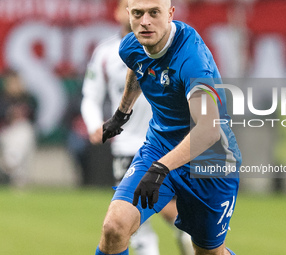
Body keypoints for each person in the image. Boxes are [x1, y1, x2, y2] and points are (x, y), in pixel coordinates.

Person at [97, 0, 241, 255]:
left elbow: (208, 130)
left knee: (207, 253)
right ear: (129, 14)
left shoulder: (192, 60)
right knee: (114, 228)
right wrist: (121, 114)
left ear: (170, 14)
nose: (145, 21)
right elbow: (138, 68)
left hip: (209, 159)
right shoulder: (131, 45)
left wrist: (161, 168)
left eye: (154, 13)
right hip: (159, 148)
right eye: (138, 14)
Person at [82, 1, 193, 254]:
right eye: (133, 9)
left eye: (152, 11)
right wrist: (95, 124)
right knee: (131, 221)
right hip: (127, 144)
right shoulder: (106, 53)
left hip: (168, 144)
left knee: (166, 209)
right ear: (122, 12)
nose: (143, 18)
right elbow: (91, 95)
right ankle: (184, 235)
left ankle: (188, 234)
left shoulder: (175, 48)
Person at [0, 69, 37, 188]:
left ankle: (11, 162)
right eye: (12, 82)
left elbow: (35, 117)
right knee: (23, 134)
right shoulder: (3, 98)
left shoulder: (27, 98)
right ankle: (11, 162)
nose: (15, 84)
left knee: (25, 131)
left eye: (17, 82)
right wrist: (10, 114)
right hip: (5, 133)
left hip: (22, 135)